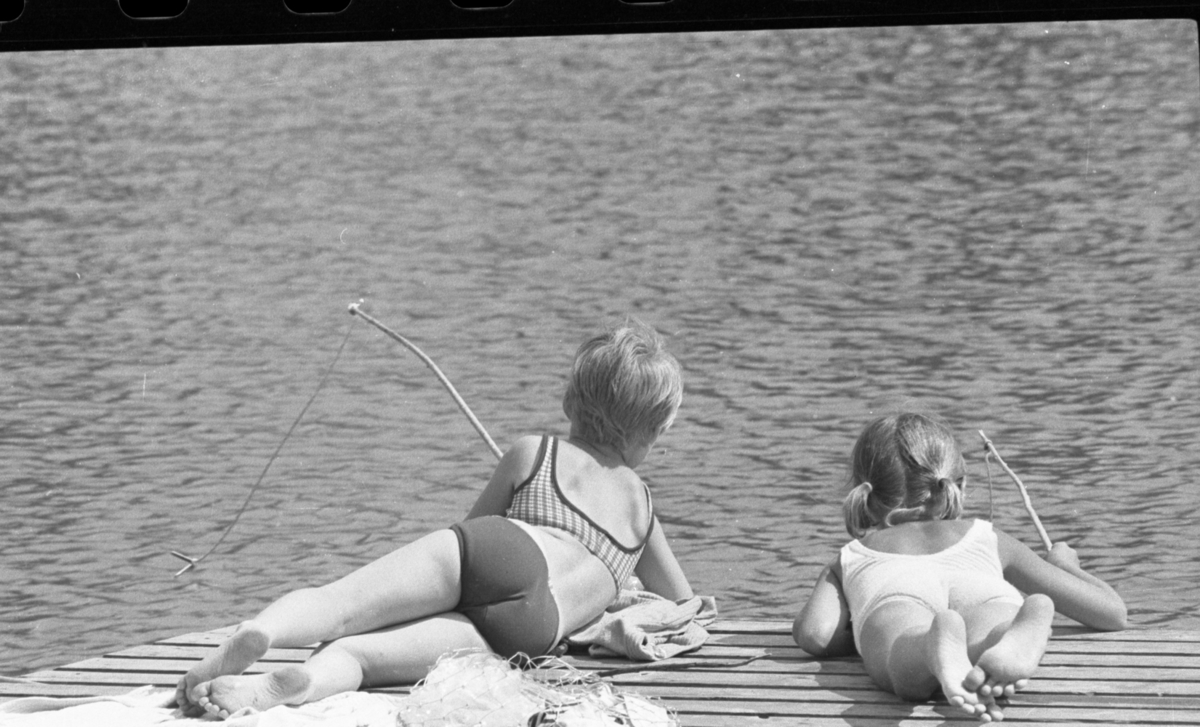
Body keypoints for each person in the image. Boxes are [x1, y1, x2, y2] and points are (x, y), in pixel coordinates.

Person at [175, 318, 695, 719]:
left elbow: (474, 536)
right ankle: (298, 685)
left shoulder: (535, 453)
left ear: (570, 400)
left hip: (501, 548)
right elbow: (683, 604)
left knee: (339, 605)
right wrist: (616, 594)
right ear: (652, 432)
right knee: (358, 658)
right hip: (535, 627)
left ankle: (262, 631)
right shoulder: (642, 510)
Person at [792, 413, 1126, 723]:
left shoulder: (853, 555)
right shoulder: (987, 537)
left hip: (896, 595)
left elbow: (815, 634)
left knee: (902, 654)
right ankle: (1005, 634)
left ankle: (928, 645)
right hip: (986, 594)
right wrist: (1065, 566)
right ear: (958, 485)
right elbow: (1112, 613)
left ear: (864, 495)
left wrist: (866, 639)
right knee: (991, 626)